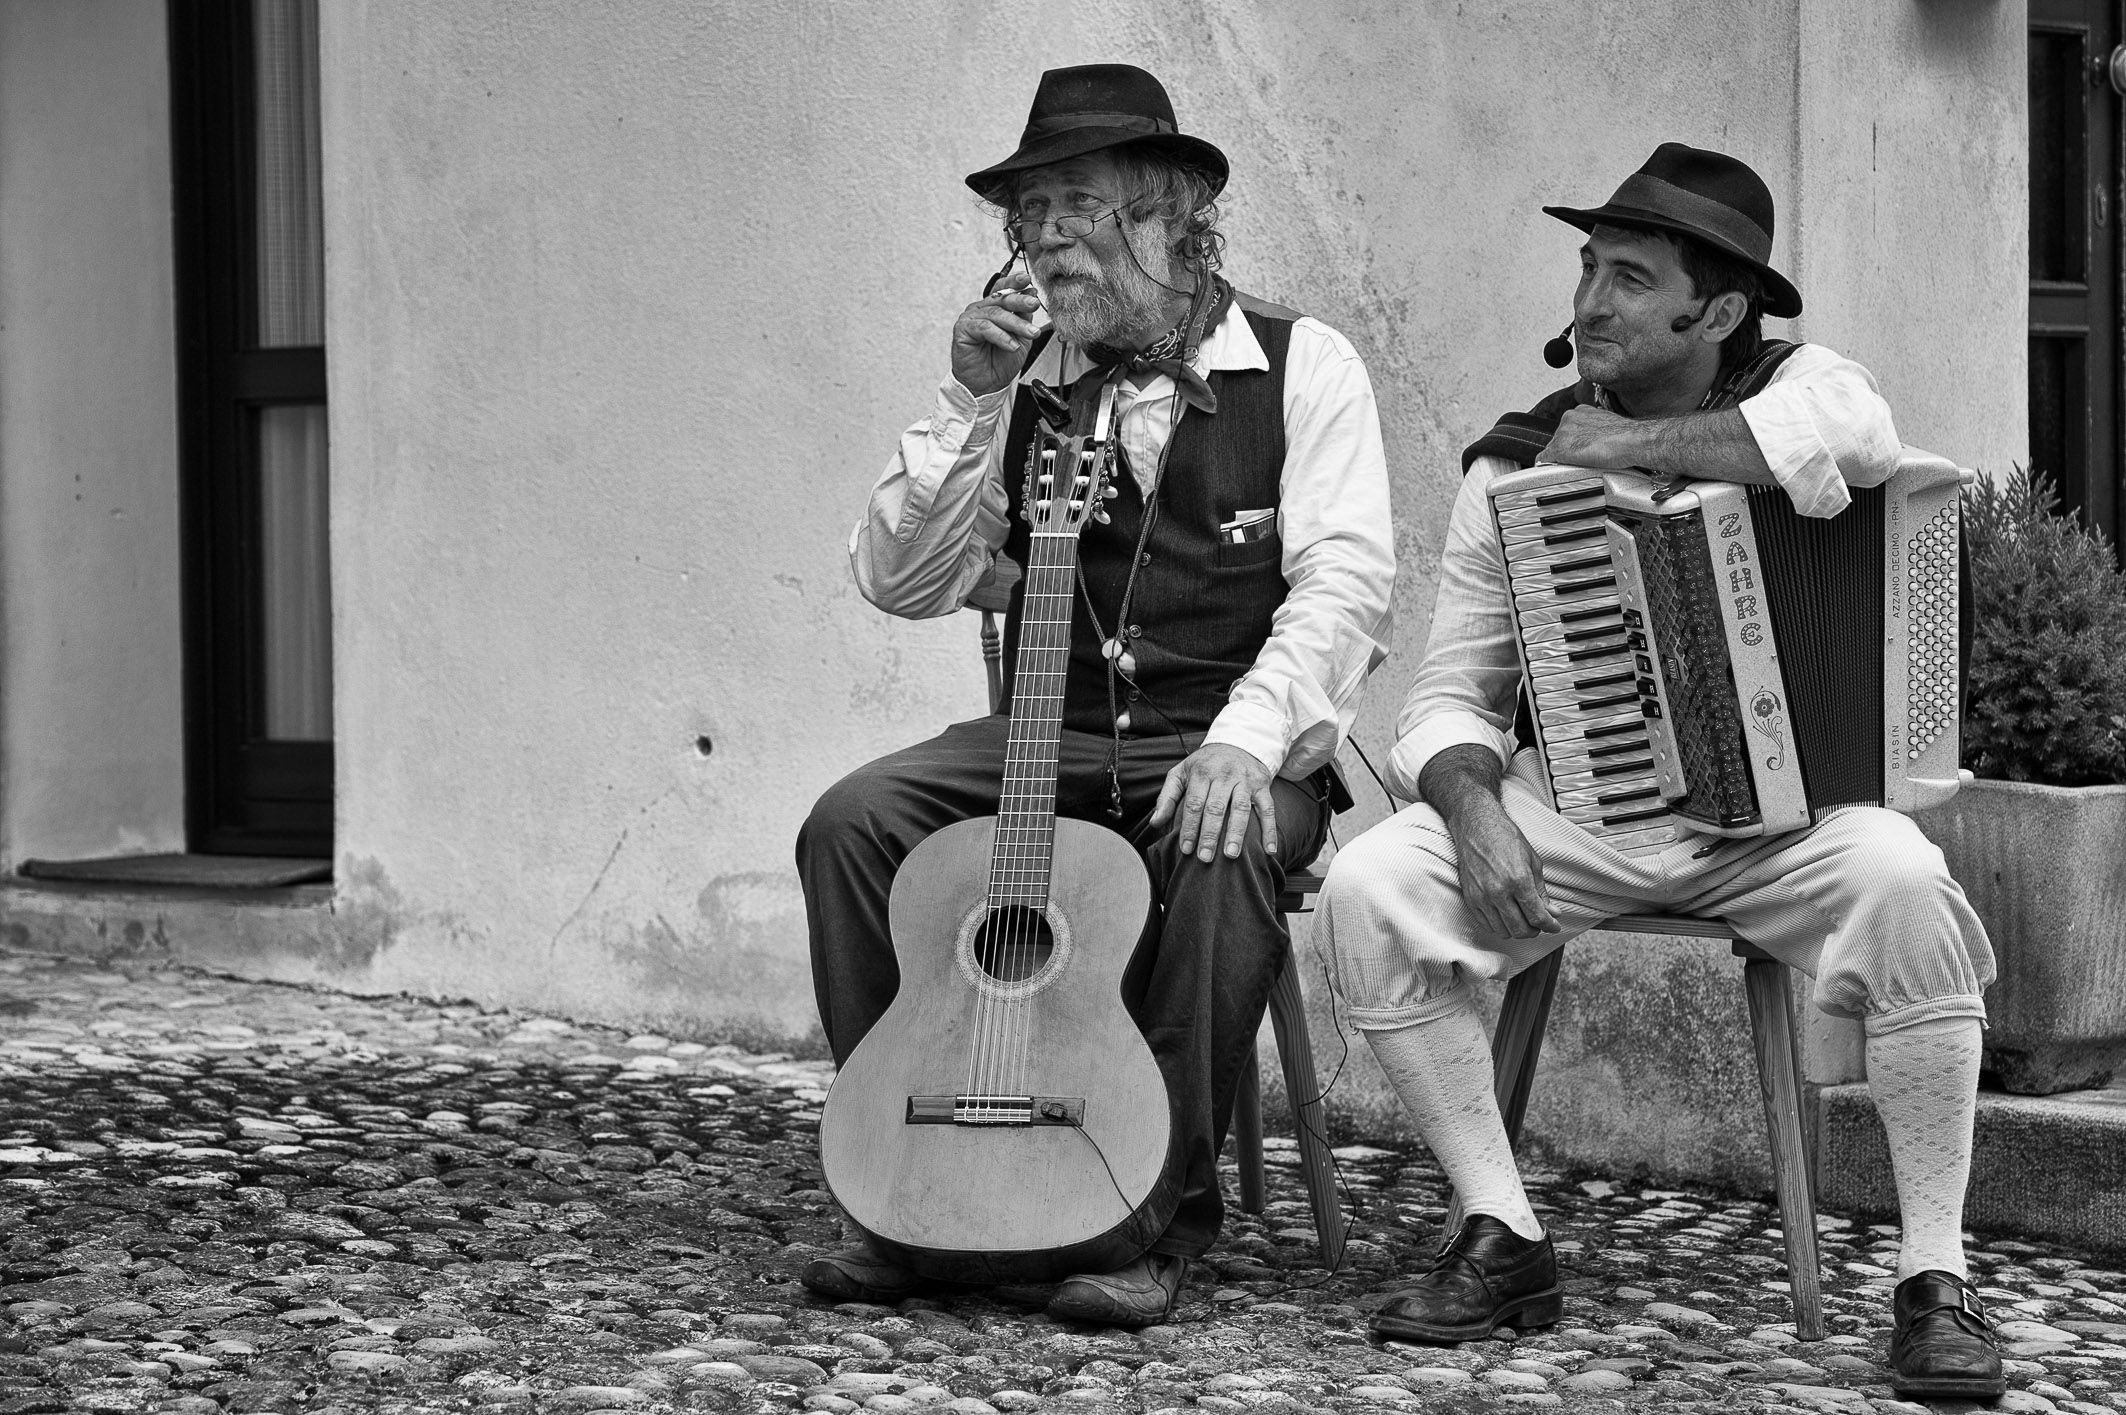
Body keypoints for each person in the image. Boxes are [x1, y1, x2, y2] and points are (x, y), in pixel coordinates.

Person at [1315, 143, 2004, 1400]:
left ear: (1721, 311)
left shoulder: (1807, 388)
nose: (1588, 301)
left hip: (1789, 826)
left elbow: (1856, 438)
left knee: (1907, 881)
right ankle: (1500, 1232)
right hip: (1580, 814)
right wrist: (1468, 807)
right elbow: (1448, 691)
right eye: (1587, 268)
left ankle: (1933, 1277)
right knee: (1367, 887)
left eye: (1629, 278)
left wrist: (1636, 448)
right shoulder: (1514, 462)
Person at [796, 64, 1395, 1328]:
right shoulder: (1023, 379)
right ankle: (908, 1182)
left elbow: (1343, 586)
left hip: (1223, 739)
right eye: (1029, 214)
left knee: (1220, 841)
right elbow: (903, 579)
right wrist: (967, 400)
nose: (1045, 239)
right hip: (1045, 736)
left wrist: (1244, 743)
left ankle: (1141, 1215)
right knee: (851, 820)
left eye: (1077, 205)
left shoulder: (1304, 365)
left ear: (1175, 216)